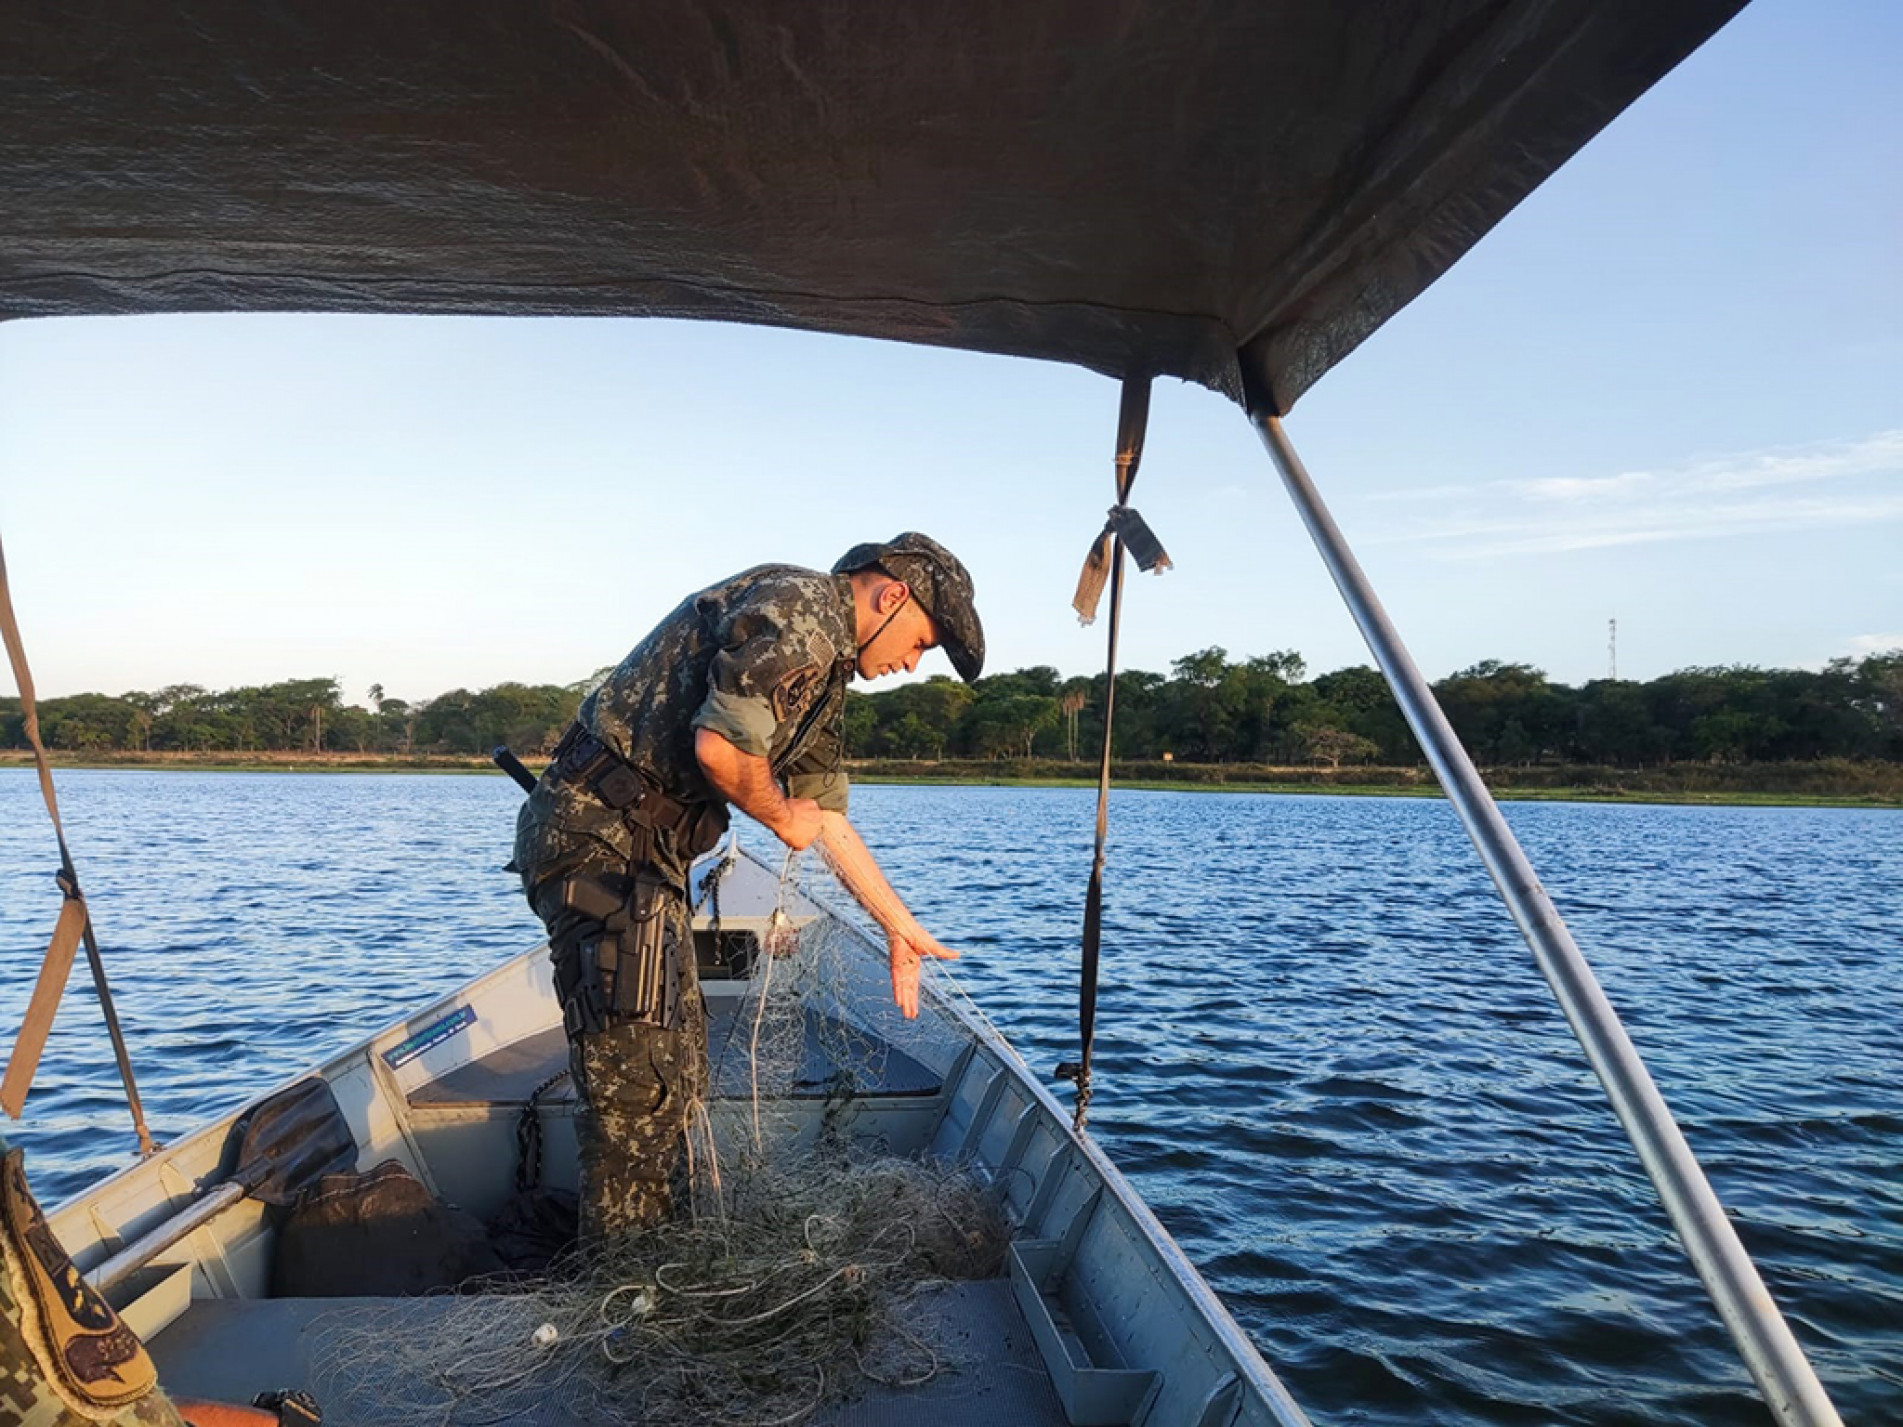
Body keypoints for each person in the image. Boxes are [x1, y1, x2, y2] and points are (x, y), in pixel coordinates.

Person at [512, 533, 984, 1242]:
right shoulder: (803, 610)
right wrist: (777, 812)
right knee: (637, 1087)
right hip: (596, 843)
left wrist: (896, 925)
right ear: (891, 596)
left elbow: (824, 820)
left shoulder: (824, 680)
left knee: (680, 1065)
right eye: (921, 643)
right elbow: (723, 749)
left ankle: (658, 1253)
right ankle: (619, 1291)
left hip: (649, 860)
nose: (912, 664)